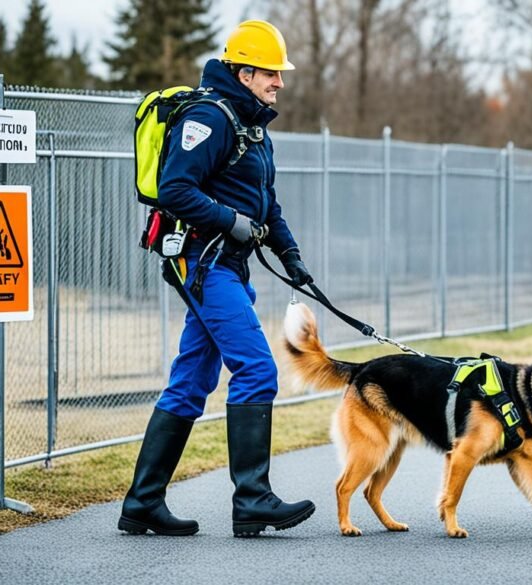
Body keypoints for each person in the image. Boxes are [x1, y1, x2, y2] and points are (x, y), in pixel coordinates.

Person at [118, 20, 316, 538]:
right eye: (272, 73)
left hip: (228, 263)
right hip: (204, 262)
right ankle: (252, 499)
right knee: (256, 369)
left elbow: (266, 202)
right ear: (246, 72)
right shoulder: (209, 117)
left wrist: (289, 252)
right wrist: (231, 222)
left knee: (192, 381)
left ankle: (142, 503)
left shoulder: (254, 126)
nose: (279, 83)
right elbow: (174, 189)